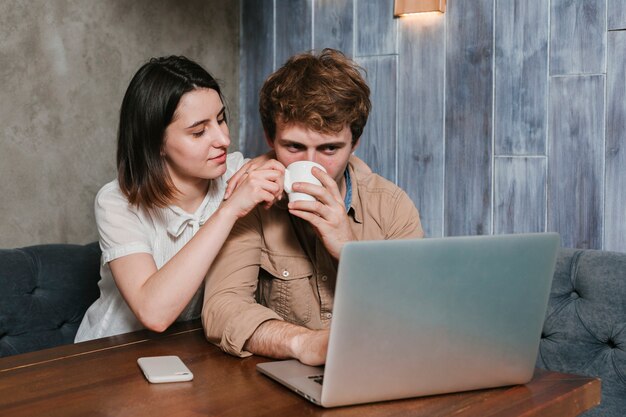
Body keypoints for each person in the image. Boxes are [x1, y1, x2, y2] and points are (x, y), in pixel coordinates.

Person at [201, 49, 424, 365]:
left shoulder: (391, 207)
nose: (310, 164)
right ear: (270, 138)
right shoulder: (250, 199)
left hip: (373, 368)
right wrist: (303, 343)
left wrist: (349, 251)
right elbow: (222, 308)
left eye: (330, 148)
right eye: (293, 146)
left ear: (355, 143)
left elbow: (415, 316)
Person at [75, 56, 283, 342]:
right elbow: (154, 313)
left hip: (190, 350)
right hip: (111, 352)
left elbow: (297, 157)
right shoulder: (116, 203)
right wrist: (228, 210)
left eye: (221, 119)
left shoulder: (235, 173)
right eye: (199, 132)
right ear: (156, 143)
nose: (223, 139)